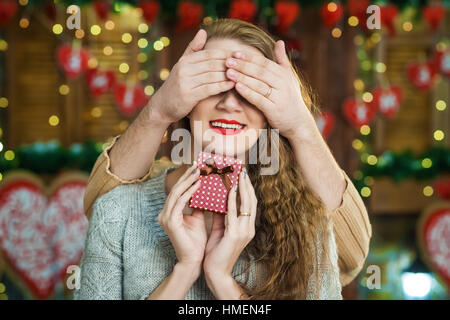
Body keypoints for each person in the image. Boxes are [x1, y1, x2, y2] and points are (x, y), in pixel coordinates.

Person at [74, 18, 372, 300]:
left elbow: (355, 253)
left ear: (272, 111)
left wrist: (222, 281)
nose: (229, 103)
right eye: (213, 83)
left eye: (250, 89)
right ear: (185, 100)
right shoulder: (117, 209)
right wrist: (184, 271)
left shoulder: (310, 218)